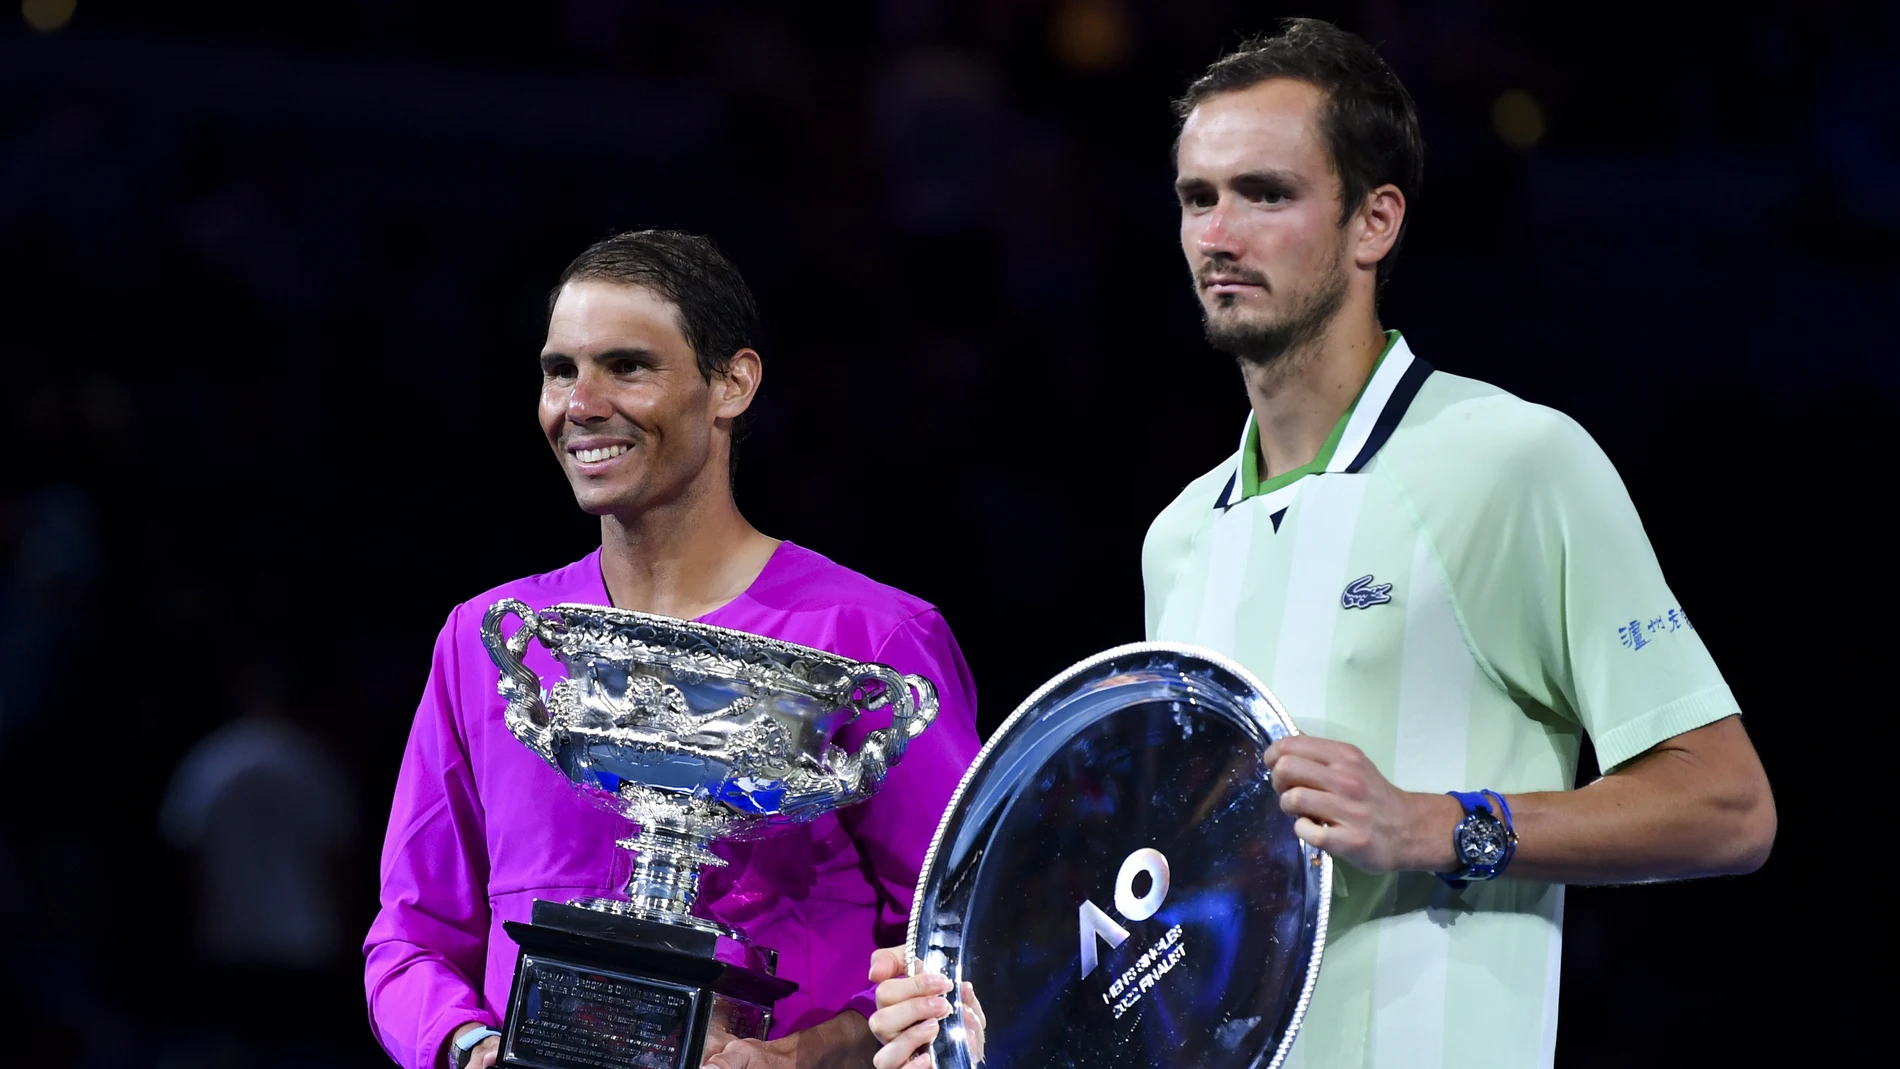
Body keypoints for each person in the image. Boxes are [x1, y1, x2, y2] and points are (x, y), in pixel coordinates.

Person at [869, 18, 1774, 1069]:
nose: (1218, 232)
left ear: (1372, 222)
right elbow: (1173, 917)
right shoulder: (1180, 538)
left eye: (1266, 194)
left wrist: (1435, 825)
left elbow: (1728, 804)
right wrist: (996, 996)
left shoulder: (1513, 461)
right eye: (1197, 198)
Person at [364, 229, 982, 1069]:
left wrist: (803, 1059)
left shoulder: (871, 642)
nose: (580, 405)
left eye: (628, 366)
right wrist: (472, 1049)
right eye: (558, 371)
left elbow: (964, 932)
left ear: (733, 382)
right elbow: (410, 938)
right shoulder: (492, 642)